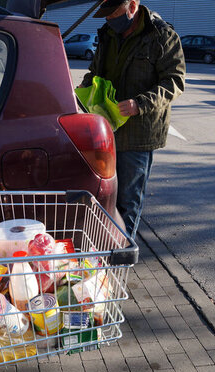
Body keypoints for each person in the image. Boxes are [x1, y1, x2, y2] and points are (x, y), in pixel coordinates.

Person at [79, 0, 185, 238]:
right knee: (105, 195)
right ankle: (103, 245)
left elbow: (175, 81)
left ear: (132, 6)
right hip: (106, 129)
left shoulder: (162, 35)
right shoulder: (108, 32)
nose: (108, 19)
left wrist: (141, 104)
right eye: (105, 15)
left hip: (138, 135)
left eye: (113, 14)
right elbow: (95, 72)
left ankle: (120, 255)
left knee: (128, 200)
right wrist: (80, 92)